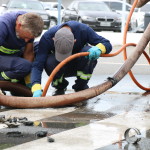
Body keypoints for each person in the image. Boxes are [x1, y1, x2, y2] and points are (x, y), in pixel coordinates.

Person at [31, 21, 112, 97]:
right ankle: (59, 85)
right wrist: (36, 85)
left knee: (87, 52)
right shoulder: (47, 37)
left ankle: (81, 86)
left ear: (74, 41)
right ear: (54, 40)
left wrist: (100, 48)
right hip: (58, 65)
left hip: (78, 63)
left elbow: (107, 43)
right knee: (49, 61)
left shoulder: (83, 30)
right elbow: (38, 65)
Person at [0, 11, 44, 91]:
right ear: (19, 25)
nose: (27, 40)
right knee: (24, 66)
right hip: (2, 56)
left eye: (30, 38)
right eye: (26, 37)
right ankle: (1, 79)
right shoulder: (3, 25)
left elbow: (28, 53)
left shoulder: (30, 22)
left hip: (14, 54)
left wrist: (29, 81)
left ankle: (21, 80)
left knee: (41, 48)